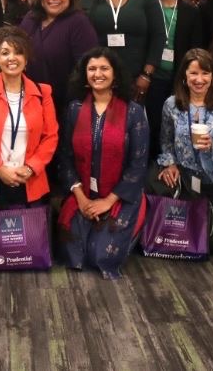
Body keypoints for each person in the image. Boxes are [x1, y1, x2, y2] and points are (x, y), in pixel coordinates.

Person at [55, 48, 149, 278]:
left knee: (100, 255)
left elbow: (138, 164)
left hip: (120, 196)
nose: (98, 74)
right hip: (83, 193)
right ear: (85, 74)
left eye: (104, 68)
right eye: (92, 69)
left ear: (115, 74)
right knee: (74, 254)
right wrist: (81, 198)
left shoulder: (134, 112)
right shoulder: (75, 109)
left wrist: (108, 201)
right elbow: (65, 157)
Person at [152, 48, 213, 254]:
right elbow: (166, 140)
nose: (199, 79)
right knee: (183, 239)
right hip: (188, 181)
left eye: (205, 73)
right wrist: (170, 163)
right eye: (193, 73)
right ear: (184, 76)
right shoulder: (171, 104)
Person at [0, 27, 59, 209]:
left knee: (31, 228)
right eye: (5, 53)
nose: (12, 58)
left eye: (18, 52)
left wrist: (31, 167)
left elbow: (51, 137)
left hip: (29, 180)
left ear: (26, 59)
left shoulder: (43, 92)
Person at [80, 0, 165, 96]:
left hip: (137, 78)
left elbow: (158, 36)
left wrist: (147, 74)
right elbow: (81, 37)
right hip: (98, 79)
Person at [19, 0, 100, 117]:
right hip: (30, 99)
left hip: (65, 103)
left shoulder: (79, 22)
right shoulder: (30, 18)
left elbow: (88, 64)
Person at [150, 0, 204, 142]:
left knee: (179, 124)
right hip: (154, 76)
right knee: (155, 123)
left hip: (180, 77)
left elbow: (196, 46)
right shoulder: (149, 7)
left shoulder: (191, 11)